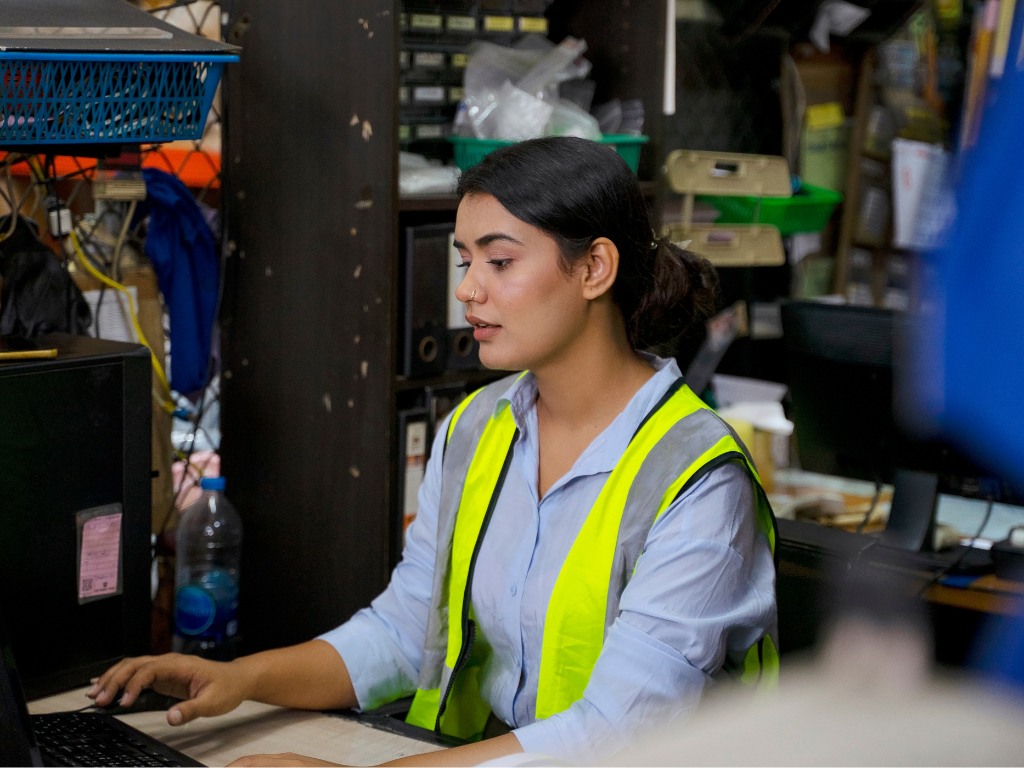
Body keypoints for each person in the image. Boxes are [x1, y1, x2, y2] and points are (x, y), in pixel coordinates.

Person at [89, 137, 778, 766]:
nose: (467, 289)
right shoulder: (476, 429)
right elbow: (407, 628)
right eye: (465, 260)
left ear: (594, 267)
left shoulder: (698, 481)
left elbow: (619, 732)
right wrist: (241, 679)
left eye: (499, 261)